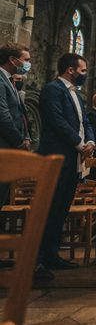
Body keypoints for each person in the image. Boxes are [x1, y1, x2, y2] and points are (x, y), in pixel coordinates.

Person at [37, 53, 96, 280]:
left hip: (72, 159)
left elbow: (85, 122)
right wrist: (79, 144)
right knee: (49, 208)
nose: (85, 75)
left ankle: (52, 254)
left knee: (61, 208)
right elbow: (56, 120)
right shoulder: (53, 90)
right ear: (70, 70)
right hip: (57, 156)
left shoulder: (77, 95)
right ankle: (39, 259)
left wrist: (90, 141)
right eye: (82, 71)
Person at [0, 43, 32, 207]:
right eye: (25, 59)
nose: (28, 63)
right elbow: (3, 116)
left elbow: (19, 114)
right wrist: (19, 141)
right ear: (12, 60)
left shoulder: (8, 80)